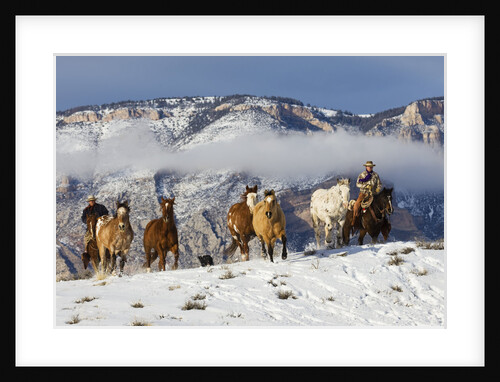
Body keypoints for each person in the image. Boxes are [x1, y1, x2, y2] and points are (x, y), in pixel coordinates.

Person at [352, 161, 382, 226]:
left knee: (382, 204)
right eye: (368, 166)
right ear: (366, 167)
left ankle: (381, 219)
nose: (370, 167)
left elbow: (379, 184)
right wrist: (365, 186)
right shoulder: (362, 175)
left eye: (371, 166)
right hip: (363, 193)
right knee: (357, 204)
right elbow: (357, 184)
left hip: (373, 194)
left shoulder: (376, 175)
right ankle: (354, 219)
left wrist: (377, 189)